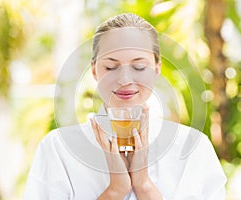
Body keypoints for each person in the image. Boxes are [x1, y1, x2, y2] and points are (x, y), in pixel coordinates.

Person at [23, 13, 227, 199]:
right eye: (111, 67)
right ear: (94, 71)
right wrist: (115, 190)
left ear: (156, 69)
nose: (125, 79)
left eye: (139, 66)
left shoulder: (193, 149)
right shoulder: (58, 149)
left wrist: (144, 185)